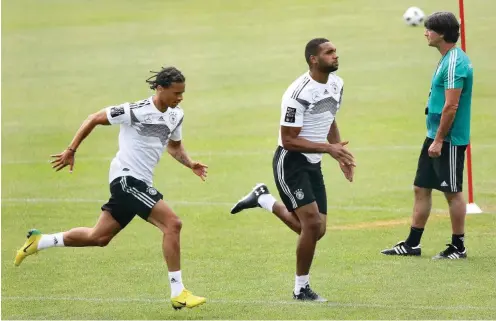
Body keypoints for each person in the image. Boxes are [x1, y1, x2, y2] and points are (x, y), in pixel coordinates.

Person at [14, 66, 208, 309]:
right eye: (176, 93)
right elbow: (94, 118)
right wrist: (71, 150)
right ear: (160, 88)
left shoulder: (175, 115)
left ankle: (40, 241)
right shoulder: (135, 110)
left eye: (183, 93)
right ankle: (178, 292)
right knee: (173, 224)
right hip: (126, 179)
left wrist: (189, 163)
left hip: (140, 182)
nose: (180, 98)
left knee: (99, 237)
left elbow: (174, 147)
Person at [230, 38, 355, 301]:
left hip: (314, 161)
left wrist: (339, 153)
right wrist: (328, 148)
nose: (336, 55)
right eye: (329, 52)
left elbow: (329, 118)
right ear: (313, 59)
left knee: (317, 230)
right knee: (311, 224)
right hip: (291, 162)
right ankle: (301, 289)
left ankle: (263, 198)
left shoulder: (337, 84)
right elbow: (288, 139)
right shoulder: (298, 94)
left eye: (335, 51)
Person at [381, 12, 473, 259]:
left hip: (449, 139)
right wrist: (434, 137)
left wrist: (440, 140)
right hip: (434, 135)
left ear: (441, 34)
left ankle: (458, 246)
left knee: (452, 191)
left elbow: (452, 106)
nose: (425, 33)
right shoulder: (446, 58)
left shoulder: (456, 63)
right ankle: (412, 244)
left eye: (429, 29)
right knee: (421, 187)